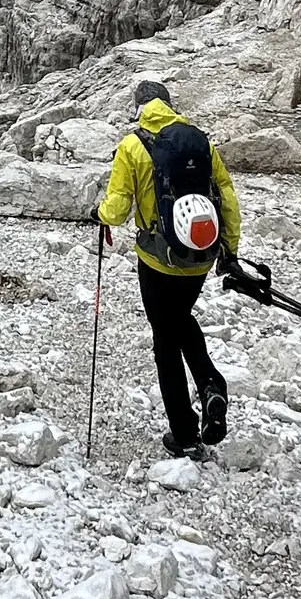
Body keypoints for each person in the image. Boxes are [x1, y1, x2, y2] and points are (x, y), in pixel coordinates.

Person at [97, 78, 242, 459]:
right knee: (180, 318)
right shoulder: (200, 140)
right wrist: (230, 250)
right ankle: (211, 385)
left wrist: (99, 213)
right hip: (200, 254)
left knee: (165, 339)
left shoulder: (132, 145)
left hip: (157, 259)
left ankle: (184, 432)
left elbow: (117, 207)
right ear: (169, 104)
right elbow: (225, 195)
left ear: (139, 107)